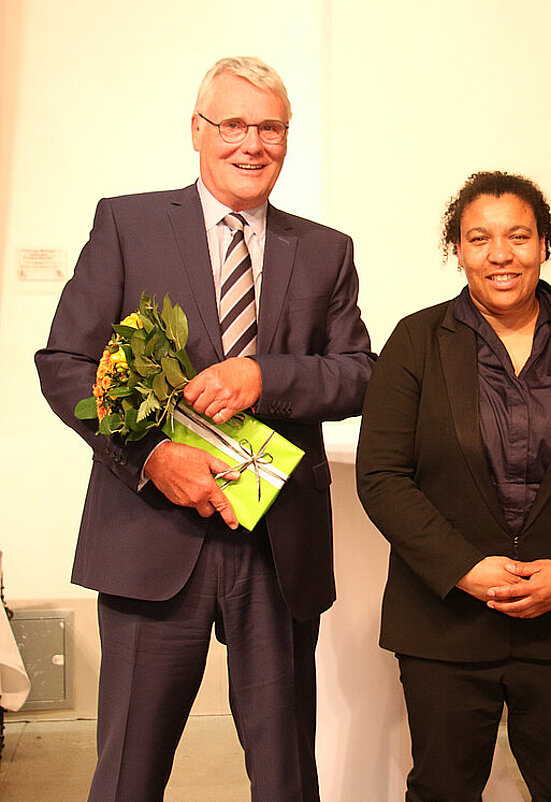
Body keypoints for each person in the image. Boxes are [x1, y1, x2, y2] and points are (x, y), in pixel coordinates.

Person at [35, 57, 373, 801]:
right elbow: (65, 363)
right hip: (153, 537)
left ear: (287, 138)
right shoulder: (126, 224)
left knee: (285, 775)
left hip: (276, 542)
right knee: (128, 774)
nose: (252, 143)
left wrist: (268, 375)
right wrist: (153, 458)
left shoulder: (325, 249)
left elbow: (358, 374)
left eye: (271, 127)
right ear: (198, 130)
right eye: (234, 124)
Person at [356, 171, 551, 801]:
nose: (501, 255)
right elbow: (382, 476)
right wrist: (464, 567)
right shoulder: (416, 341)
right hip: (445, 620)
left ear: (544, 243)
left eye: (518, 236)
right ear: (457, 250)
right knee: (442, 788)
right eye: (479, 238)